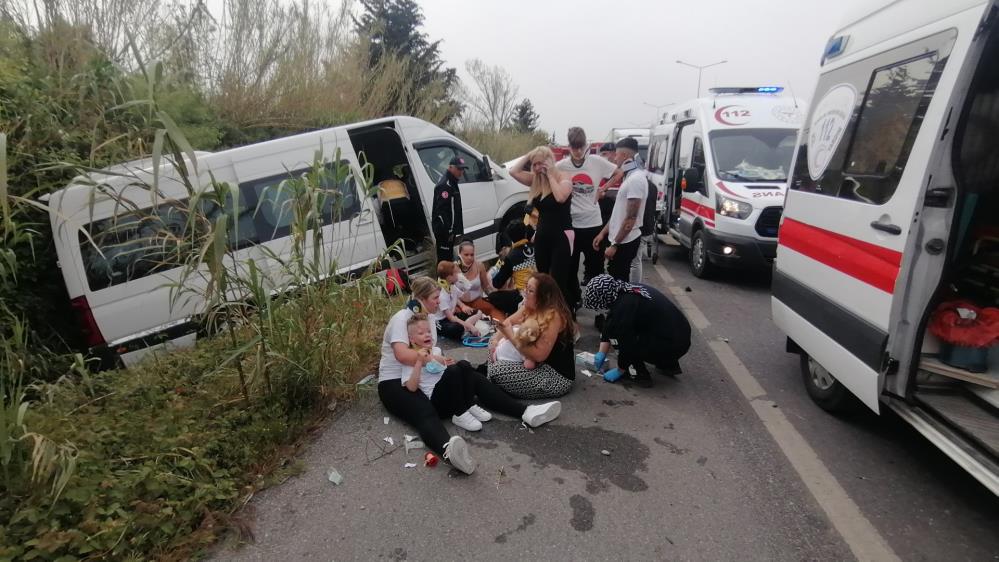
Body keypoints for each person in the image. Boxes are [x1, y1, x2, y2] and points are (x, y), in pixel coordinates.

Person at [378, 277, 563, 475]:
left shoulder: (428, 317)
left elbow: (430, 351)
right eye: (435, 298)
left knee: (471, 375)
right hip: (395, 381)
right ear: (421, 298)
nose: (439, 302)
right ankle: (449, 450)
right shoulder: (402, 318)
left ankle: (525, 412)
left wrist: (442, 362)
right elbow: (402, 355)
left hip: (425, 374)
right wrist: (435, 359)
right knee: (423, 411)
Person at [583, 274, 692, 388]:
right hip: (681, 337)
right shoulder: (625, 289)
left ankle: (639, 374)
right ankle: (668, 364)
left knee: (621, 341)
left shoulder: (623, 308)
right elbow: (610, 321)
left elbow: (624, 343)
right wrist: (601, 353)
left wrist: (621, 369)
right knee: (646, 330)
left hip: (671, 345)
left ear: (603, 299)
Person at [557, 127, 624, 309]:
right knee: (570, 268)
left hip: (593, 225)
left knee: (596, 270)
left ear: (586, 145)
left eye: (581, 147)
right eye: (574, 147)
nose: (578, 151)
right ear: (569, 146)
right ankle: (573, 302)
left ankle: (599, 309)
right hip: (571, 225)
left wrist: (604, 188)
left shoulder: (596, 162)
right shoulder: (561, 166)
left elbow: (619, 172)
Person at [487, 273, 576, 399]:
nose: (525, 292)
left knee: (498, 371)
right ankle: (492, 377)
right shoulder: (529, 306)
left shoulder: (553, 316)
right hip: (532, 362)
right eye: (526, 288)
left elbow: (539, 355)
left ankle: (492, 377)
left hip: (553, 373)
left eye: (530, 291)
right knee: (492, 341)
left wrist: (511, 336)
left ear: (544, 297)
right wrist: (496, 341)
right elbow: (507, 323)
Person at [509, 147, 575, 303]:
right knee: (542, 279)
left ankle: (565, 311)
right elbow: (513, 171)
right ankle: (545, 311)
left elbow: (560, 198)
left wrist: (550, 175)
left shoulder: (563, 176)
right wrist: (530, 155)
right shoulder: (536, 180)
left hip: (562, 236)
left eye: (541, 163)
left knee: (558, 280)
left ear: (550, 161)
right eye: (535, 164)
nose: (538, 168)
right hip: (542, 236)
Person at [593, 137, 647, 281]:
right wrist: (603, 233)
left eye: (616, 154)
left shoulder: (636, 180)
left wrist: (615, 245)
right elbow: (618, 213)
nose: (615, 158)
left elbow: (631, 217)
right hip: (621, 240)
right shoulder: (630, 178)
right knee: (616, 279)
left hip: (626, 242)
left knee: (619, 282)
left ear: (624, 155)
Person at [456, 239, 520, 320]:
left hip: (477, 301)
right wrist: (462, 306)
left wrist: (495, 298)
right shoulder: (453, 268)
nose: (469, 257)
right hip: (460, 304)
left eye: (472, 255)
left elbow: (486, 287)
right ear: (459, 254)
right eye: (466, 255)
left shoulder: (479, 265)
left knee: (497, 313)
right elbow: (449, 293)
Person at [433, 260, 482, 341]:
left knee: (478, 312)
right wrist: (470, 326)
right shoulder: (441, 294)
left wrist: (463, 305)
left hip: (452, 315)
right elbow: (451, 318)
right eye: (456, 273)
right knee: (457, 329)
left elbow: (463, 297)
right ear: (449, 277)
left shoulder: (451, 286)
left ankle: (466, 326)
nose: (459, 275)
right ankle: (467, 327)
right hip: (442, 320)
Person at [431, 156, 467, 264]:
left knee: (448, 259)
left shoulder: (452, 182)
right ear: (450, 167)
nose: (461, 172)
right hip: (444, 231)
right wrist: (449, 231)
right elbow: (442, 211)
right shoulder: (445, 185)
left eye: (463, 169)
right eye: (459, 169)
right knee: (444, 261)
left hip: (449, 230)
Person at [491, 221, 536, 294]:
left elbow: (497, 283)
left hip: (525, 294)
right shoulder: (536, 247)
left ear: (510, 238)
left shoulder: (510, 257)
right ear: (525, 233)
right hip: (543, 288)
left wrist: (498, 268)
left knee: (493, 296)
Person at [597, 142, 620, 225]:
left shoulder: (623, 171)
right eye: (601, 154)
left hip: (617, 212)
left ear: (614, 154)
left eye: (604, 154)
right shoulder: (599, 171)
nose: (602, 157)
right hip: (601, 213)